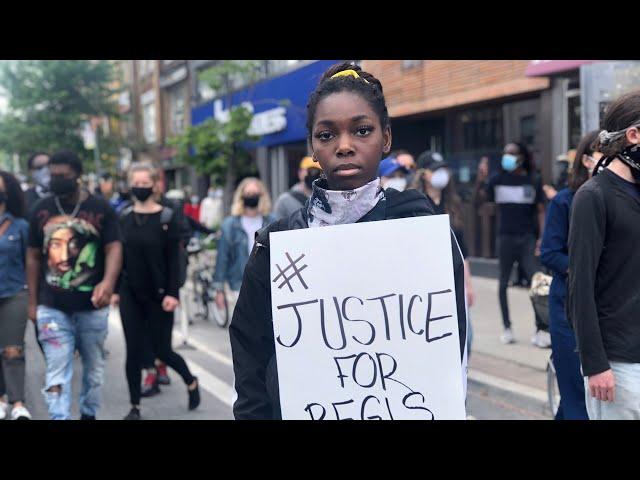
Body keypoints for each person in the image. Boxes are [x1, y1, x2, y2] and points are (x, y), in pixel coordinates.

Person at [229, 62, 468, 420]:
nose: (345, 146)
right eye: (326, 135)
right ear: (311, 145)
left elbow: (451, 350)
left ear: (385, 138)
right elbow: (250, 358)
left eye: (362, 130)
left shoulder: (421, 230)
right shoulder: (278, 244)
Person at [26, 150, 122, 420]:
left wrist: (108, 283)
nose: (56, 180)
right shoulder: (41, 209)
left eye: (63, 176)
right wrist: (32, 302)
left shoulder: (100, 208)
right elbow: (33, 256)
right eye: (53, 175)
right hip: (52, 306)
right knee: (57, 369)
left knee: (94, 370)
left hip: (92, 306)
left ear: (77, 176)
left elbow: (114, 247)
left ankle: (89, 413)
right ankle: (59, 417)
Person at [568, 90, 640, 420]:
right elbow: (579, 287)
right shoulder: (593, 196)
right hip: (617, 365)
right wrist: (595, 364)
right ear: (633, 135)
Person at [117, 162, 200, 420]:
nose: (140, 187)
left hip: (160, 293)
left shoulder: (167, 217)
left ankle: (190, 380)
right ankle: (135, 407)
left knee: (162, 350)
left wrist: (172, 293)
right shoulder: (124, 217)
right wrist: (114, 290)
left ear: (154, 185)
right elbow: (118, 256)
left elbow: (173, 260)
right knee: (133, 350)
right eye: (136, 183)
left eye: (145, 183)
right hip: (130, 293)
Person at [540, 131, 600, 420]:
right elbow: (549, 253)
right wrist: (584, 268)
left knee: (582, 396)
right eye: (598, 154)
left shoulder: (616, 198)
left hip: (605, 307)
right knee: (575, 390)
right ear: (585, 160)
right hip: (567, 305)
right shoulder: (565, 201)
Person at [476, 141, 548, 347]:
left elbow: (541, 210)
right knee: (503, 282)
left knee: (536, 283)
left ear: (521, 157)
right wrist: (481, 179)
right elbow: (481, 199)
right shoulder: (497, 179)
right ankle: (507, 327)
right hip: (505, 236)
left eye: (512, 153)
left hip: (527, 237)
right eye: (504, 153)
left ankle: (539, 329)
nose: (507, 157)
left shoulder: (533, 179)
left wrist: (541, 238)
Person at [412, 151, 475, 357]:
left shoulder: (452, 203)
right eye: (435, 170)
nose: (442, 175)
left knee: (467, 336)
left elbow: (462, 250)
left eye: (443, 170)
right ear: (423, 174)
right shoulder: (413, 203)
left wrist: (469, 284)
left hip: (453, 277)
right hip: (426, 280)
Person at [213, 178, 276, 315]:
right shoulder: (229, 225)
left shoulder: (272, 221)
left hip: (267, 284)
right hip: (239, 285)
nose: (251, 196)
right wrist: (219, 290)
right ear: (241, 196)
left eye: (255, 193)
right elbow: (222, 257)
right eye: (248, 193)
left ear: (262, 196)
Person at [0, 171, 32, 420]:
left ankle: (18, 402)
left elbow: (30, 263)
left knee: (13, 350)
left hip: (14, 293)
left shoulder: (20, 225)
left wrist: (34, 300)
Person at [24, 152, 51, 217]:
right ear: (31, 172)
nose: (46, 170)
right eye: (40, 167)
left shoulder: (64, 195)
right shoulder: (24, 198)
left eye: (49, 166)